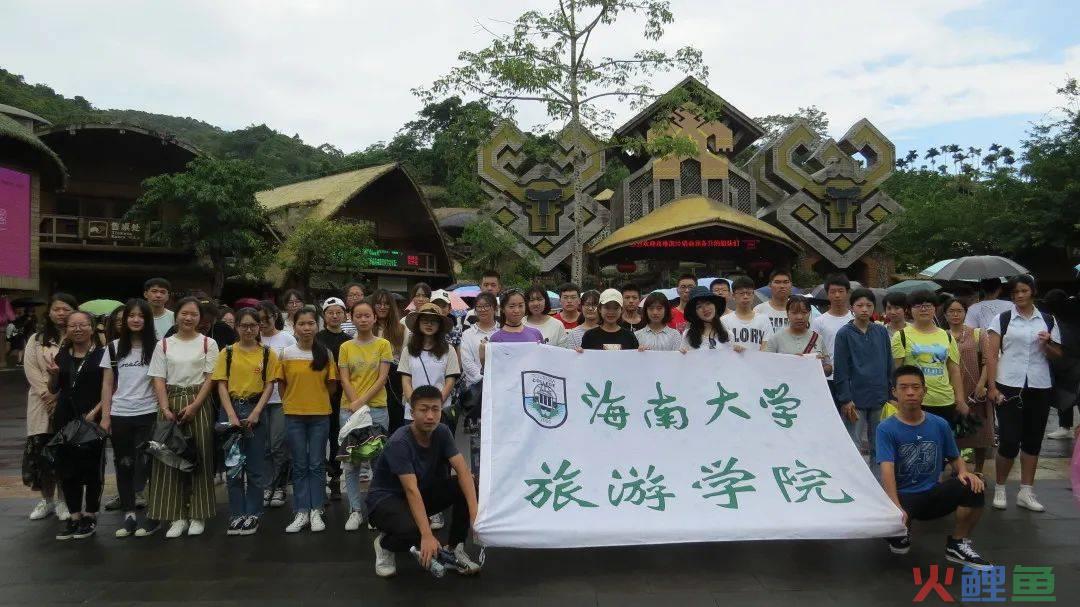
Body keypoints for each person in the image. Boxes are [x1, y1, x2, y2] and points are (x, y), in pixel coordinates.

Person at [877, 365, 991, 570]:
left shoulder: (939, 424)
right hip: (903, 498)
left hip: (931, 493)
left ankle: (957, 543)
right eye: (903, 388)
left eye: (915, 387)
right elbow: (887, 469)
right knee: (898, 544)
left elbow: (955, 457)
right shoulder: (886, 428)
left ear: (924, 391)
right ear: (894, 392)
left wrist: (965, 473)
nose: (910, 392)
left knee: (974, 485)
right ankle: (899, 531)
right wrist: (896, 507)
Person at [367, 384, 481, 578]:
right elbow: (410, 490)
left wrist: (475, 516)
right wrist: (426, 535)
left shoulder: (442, 432)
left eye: (435, 409)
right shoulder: (399, 442)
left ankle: (454, 548)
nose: (430, 416)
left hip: (419, 494)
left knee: (467, 482)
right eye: (423, 410)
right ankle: (385, 545)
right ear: (412, 412)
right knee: (414, 532)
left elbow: (462, 471)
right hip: (386, 501)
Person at [986, 274, 1062, 512]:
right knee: (1009, 440)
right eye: (1015, 292)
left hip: (1039, 385)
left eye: (1024, 291)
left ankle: (1026, 491)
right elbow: (991, 354)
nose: (1019, 296)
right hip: (1008, 384)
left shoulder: (1048, 320)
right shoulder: (1003, 319)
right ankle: (1000, 487)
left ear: (1033, 292)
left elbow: (1057, 355)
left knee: (1032, 440)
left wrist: (1047, 343)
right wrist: (991, 386)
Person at [146, 297, 219, 538]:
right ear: (176, 315)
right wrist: (165, 408)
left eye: (194, 315)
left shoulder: (209, 343)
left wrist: (196, 405)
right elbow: (158, 377)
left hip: (198, 402)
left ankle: (198, 514)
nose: (188, 318)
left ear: (201, 319)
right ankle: (176, 515)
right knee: (168, 458)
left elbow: (211, 378)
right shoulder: (164, 345)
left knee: (200, 457)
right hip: (170, 402)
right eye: (184, 313)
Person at [211, 307, 280, 536]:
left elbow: (270, 384)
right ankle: (236, 514)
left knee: (255, 466)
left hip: (255, 408)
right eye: (244, 326)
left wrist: (257, 412)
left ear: (259, 327)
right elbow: (221, 383)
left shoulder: (268, 353)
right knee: (233, 465)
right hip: (230, 408)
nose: (248, 330)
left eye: (253, 325)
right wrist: (230, 414)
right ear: (237, 327)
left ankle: (253, 513)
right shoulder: (227, 352)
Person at [399, 302, 461, 532]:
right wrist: (415, 406)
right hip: (411, 414)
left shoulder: (448, 350)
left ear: (440, 325)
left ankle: (435, 511)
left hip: (439, 413)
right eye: (424, 319)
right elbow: (405, 379)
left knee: (439, 462)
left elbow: (450, 380)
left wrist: (434, 406)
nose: (428, 323)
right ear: (417, 323)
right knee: (414, 462)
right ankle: (416, 508)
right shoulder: (409, 350)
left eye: (433, 320)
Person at [100, 299, 158, 537]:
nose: (135, 319)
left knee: (148, 464)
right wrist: (105, 416)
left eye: (140, 316)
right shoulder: (113, 347)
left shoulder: (157, 347)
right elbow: (107, 383)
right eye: (131, 316)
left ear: (147, 320)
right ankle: (129, 515)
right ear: (124, 321)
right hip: (121, 413)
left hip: (149, 412)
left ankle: (154, 515)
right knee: (124, 464)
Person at [47, 310, 106, 540]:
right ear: (67, 330)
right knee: (67, 469)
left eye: (83, 325)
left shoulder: (101, 354)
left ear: (92, 328)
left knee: (92, 469)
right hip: (65, 418)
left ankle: (90, 515)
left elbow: (110, 387)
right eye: (73, 326)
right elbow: (54, 389)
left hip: (92, 419)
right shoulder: (62, 355)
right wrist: (53, 375)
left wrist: (96, 412)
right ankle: (74, 516)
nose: (78, 329)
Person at [280, 307, 337, 533]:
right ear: (294, 327)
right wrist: (292, 401)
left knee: (316, 464)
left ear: (317, 326)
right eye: (302, 323)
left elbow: (331, 386)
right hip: (293, 415)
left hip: (320, 415)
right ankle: (301, 510)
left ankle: (317, 510)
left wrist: (315, 398)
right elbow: (281, 383)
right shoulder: (286, 353)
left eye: (311, 323)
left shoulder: (325, 353)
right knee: (300, 464)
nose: (306, 328)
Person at [338, 300, 394, 531]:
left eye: (367, 315)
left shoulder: (383, 344)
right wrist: (355, 403)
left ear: (374, 318)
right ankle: (355, 510)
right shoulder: (345, 347)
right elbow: (344, 378)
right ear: (351, 317)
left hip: (377, 408)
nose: (363, 319)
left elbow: (382, 378)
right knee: (351, 463)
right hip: (348, 409)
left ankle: (374, 509)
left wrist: (361, 402)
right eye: (358, 315)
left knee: (377, 461)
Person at [24, 293, 77, 523]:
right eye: (57, 309)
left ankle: (64, 500)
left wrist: (60, 396)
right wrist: (48, 394)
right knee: (43, 453)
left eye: (66, 309)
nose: (61, 313)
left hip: (69, 401)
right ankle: (47, 500)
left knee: (66, 453)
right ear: (50, 312)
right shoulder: (37, 339)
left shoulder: (79, 336)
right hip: (41, 402)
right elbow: (31, 369)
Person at [892, 290, 968, 430]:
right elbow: (896, 370)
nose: (923, 309)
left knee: (943, 445)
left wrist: (960, 399)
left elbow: (954, 370)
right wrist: (896, 399)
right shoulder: (900, 336)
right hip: (913, 400)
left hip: (944, 400)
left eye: (928, 305)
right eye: (918, 306)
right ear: (909, 310)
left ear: (935, 308)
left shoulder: (946, 336)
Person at [833, 289, 893, 463]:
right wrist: (845, 398)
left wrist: (891, 392)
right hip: (855, 397)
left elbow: (889, 362)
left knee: (880, 444)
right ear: (852, 308)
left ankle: (879, 484)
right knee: (854, 444)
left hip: (880, 395)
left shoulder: (881, 331)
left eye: (869, 305)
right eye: (859, 305)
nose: (864, 309)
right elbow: (841, 369)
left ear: (874, 307)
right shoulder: (844, 333)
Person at [942, 297, 992, 474]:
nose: (955, 315)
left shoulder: (978, 333)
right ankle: (958, 469)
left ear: (965, 313)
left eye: (959, 311)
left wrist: (981, 384)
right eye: (951, 311)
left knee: (980, 432)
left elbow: (988, 361)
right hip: (951, 390)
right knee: (956, 433)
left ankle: (978, 470)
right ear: (945, 314)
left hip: (975, 390)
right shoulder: (941, 335)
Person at [257, 300, 296, 509]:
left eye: (266, 319)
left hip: (281, 399)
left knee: (278, 445)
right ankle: (266, 486)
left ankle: (280, 486)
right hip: (258, 401)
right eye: (259, 320)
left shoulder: (287, 338)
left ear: (275, 317)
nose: (262, 323)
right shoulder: (253, 339)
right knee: (262, 446)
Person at [458, 292, 498, 477]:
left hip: (500, 395)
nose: (482, 309)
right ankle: (478, 481)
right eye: (479, 306)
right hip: (477, 395)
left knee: (498, 441)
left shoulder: (502, 332)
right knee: (477, 442)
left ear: (495, 309)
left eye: (486, 306)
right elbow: (467, 363)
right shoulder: (468, 334)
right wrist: (486, 381)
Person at [316, 297, 351, 501]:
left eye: (338, 312)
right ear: (324, 315)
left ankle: (336, 477)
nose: (335, 316)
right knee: (320, 437)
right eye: (330, 312)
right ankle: (320, 477)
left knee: (338, 437)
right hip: (320, 394)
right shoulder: (317, 338)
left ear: (345, 315)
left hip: (342, 395)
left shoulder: (348, 340)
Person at [811, 274, 854, 402]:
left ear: (847, 293)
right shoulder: (819, 321)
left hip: (852, 377)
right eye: (833, 292)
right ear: (827, 294)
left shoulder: (855, 319)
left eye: (841, 291)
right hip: (829, 377)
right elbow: (815, 348)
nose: (837, 295)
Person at [765, 296, 832, 376]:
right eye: (794, 313)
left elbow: (829, 368)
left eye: (804, 312)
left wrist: (819, 365)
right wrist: (791, 362)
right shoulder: (776, 338)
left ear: (809, 313)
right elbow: (767, 366)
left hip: (812, 386)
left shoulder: (817, 338)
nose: (799, 317)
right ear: (787, 313)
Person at [371, 289, 407, 433]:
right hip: (371, 379)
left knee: (395, 425)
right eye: (378, 303)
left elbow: (405, 360)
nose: (382, 307)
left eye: (386, 304)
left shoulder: (402, 330)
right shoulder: (366, 329)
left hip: (395, 383)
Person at [680, 286, 740, 352]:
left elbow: (732, 360)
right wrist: (682, 355)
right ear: (695, 312)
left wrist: (740, 353)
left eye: (708, 303)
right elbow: (683, 360)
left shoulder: (728, 335)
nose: (705, 309)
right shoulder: (687, 335)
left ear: (715, 305)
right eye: (699, 306)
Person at [722, 275, 773, 350]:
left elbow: (767, 346)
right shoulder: (724, 321)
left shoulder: (764, 319)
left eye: (749, 293)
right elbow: (723, 346)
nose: (745, 296)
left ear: (753, 295)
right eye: (741, 293)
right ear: (733, 296)